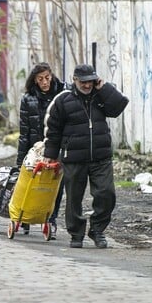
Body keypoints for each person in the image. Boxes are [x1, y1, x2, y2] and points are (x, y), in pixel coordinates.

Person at [43, 64, 129, 249]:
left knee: (106, 194)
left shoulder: (101, 96)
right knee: (74, 198)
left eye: (90, 81)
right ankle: (76, 233)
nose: (87, 85)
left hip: (100, 156)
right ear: (74, 80)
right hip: (73, 157)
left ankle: (97, 230)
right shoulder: (63, 100)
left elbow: (119, 106)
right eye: (83, 82)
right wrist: (50, 155)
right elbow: (54, 130)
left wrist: (104, 87)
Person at [16, 62, 67, 239]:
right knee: (31, 182)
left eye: (47, 78)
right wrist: (20, 158)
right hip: (35, 148)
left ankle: (50, 220)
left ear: (52, 76)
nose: (44, 82)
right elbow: (24, 130)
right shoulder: (28, 98)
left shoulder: (62, 94)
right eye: (40, 79)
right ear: (35, 80)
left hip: (57, 146)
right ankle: (27, 216)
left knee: (56, 185)